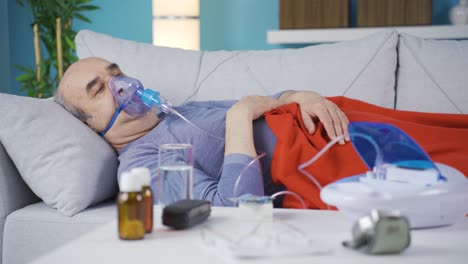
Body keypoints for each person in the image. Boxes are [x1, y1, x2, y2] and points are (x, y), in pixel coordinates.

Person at [54, 57, 351, 207]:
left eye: (115, 74)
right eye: (99, 89)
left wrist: (300, 95)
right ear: (89, 124)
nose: (120, 85)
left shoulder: (182, 110)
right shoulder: (142, 165)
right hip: (319, 161)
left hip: (329, 120)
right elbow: (233, 211)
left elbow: (266, 101)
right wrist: (239, 116)